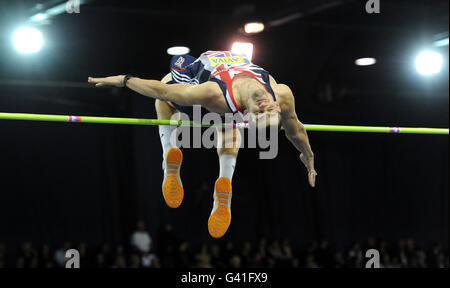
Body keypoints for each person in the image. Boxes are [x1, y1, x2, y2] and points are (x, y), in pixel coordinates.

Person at [88, 50, 317, 238]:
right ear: (277, 107)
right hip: (224, 100)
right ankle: (220, 182)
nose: (264, 103)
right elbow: (294, 127)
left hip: (211, 93)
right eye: (267, 108)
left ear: (247, 112)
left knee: (166, 94)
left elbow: (162, 89)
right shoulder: (281, 93)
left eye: (260, 111)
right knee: (227, 126)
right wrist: (308, 155)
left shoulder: (212, 94)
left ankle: (171, 158)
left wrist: (124, 80)